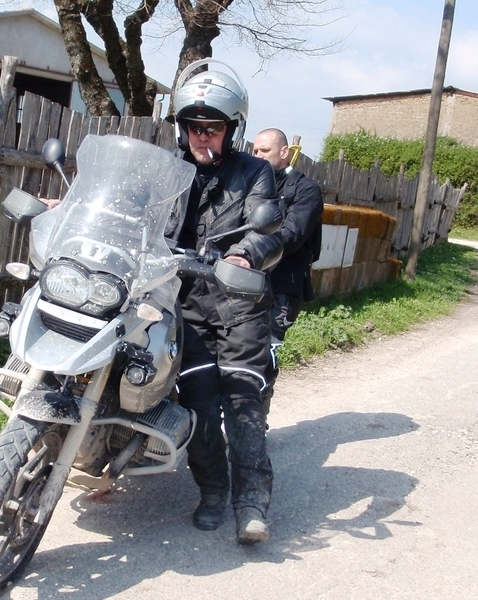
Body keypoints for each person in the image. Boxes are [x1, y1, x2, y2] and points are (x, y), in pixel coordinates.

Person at [164, 60, 283, 544]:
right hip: (183, 307)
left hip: (239, 307)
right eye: (194, 128)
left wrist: (245, 254)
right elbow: (127, 207)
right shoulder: (167, 170)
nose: (201, 137)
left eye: (211, 128)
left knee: (242, 402)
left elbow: (269, 234)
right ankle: (212, 492)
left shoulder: (255, 172)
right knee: (197, 404)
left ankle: (251, 503)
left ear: (232, 128)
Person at [252, 128, 323, 415]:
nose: (257, 156)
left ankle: (254, 424)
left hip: (282, 287)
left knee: (265, 354)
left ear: (284, 152)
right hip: (243, 281)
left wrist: (248, 251)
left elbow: (292, 234)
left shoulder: (306, 190)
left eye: (264, 151)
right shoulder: (250, 185)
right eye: (254, 151)